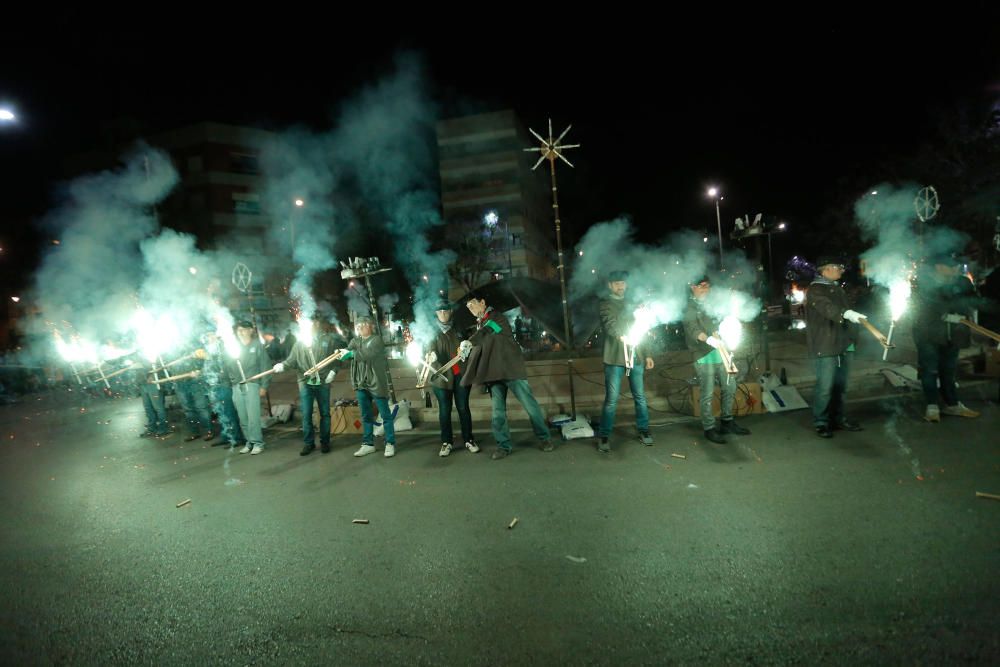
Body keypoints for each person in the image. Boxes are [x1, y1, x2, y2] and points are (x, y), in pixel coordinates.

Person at [461, 295, 553, 460]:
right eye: (468, 307)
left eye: (473, 304)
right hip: (494, 374)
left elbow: (489, 329)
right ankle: (503, 446)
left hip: (511, 370)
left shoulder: (496, 318)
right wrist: (467, 350)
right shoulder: (480, 324)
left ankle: (544, 438)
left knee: (530, 406)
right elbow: (481, 346)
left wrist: (470, 341)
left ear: (483, 302)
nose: (471, 309)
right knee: (498, 413)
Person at [683, 274, 752, 444]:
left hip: (722, 350)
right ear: (693, 287)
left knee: (730, 386)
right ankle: (709, 427)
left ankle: (727, 421)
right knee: (707, 392)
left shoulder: (714, 303)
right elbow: (692, 329)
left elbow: (723, 320)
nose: (706, 289)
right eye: (701, 286)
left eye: (707, 286)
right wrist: (707, 339)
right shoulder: (689, 307)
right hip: (703, 353)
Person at [912, 256, 980, 422]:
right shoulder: (924, 282)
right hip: (928, 333)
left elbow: (972, 301)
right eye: (951, 266)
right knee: (930, 370)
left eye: (956, 266)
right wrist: (943, 314)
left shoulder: (963, 282)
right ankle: (932, 406)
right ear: (939, 267)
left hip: (953, 334)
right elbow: (922, 306)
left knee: (949, 371)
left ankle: (952, 404)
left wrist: (962, 311)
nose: (955, 269)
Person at [804, 256, 866, 438]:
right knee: (825, 386)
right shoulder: (815, 289)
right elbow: (826, 308)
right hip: (826, 344)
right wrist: (845, 313)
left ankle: (838, 418)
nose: (841, 270)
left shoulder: (837, 288)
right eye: (837, 267)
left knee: (840, 385)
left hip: (843, 344)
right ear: (825, 270)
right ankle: (821, 422)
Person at [596, 270, 655, 453]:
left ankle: (644, 430)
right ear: (610, 286)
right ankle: (604, 436)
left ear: (626, 284)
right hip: (614, 358)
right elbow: (610, 324)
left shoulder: (635, 303)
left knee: (640, 397)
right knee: (612, 400)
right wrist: (622, 336)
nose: (620, 286)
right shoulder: (605, 304)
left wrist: (648, 354)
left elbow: (644, 329)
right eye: (616, 283)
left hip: (636, 356)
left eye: (622, 283)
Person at [272, 314, 338, 455]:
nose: (312, 325)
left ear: (317, 324)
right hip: (305, 381)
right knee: (306, 414)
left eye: (314, 323)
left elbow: (337, 359)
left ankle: (325, 442)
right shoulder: (299, 343)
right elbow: (291, 361)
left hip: (323, 381)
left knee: (325, 413)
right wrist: (282, 366)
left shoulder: (328, 340)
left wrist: (333, 372)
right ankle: (309, 443)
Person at [426, 299, 478, 457]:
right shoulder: (431, 331)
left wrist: (467, 346)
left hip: (460, 374)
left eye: (446, 311)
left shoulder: (459, 327)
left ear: (450, 312)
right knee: (444, 410)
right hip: (441, 376)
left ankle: (468, 439)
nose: (443, 314)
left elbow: (470, 340)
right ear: (436, 313)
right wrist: (431, 354)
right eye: (440, 311)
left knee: (463, 408)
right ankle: (446, 442)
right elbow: (427, 347)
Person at [342, 315, 397, 458]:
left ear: (369, 326)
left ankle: (390, 443)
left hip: (376, 382)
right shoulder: (355, 340)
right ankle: (368, 444)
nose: (359, 328)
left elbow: (367, 354)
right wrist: (342, 353)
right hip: (361, 383)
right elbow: (349, 350)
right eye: (357, 326)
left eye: (362, 325)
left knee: (385, 414)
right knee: (365, 415)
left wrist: (351, 353)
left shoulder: (376, 340)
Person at [227, 320, 272, 455]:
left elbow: (265, 365)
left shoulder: (257, 346)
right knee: (243, 417)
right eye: (238, 330)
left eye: (243, 329)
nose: (240, 332)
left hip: (252, 384)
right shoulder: (233, 347)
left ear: (251, 330)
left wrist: (264, 385)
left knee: (253, 417)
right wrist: (233, 381)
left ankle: (258, 443)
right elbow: (229, 367)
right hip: (237, 385)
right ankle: (249, 442)